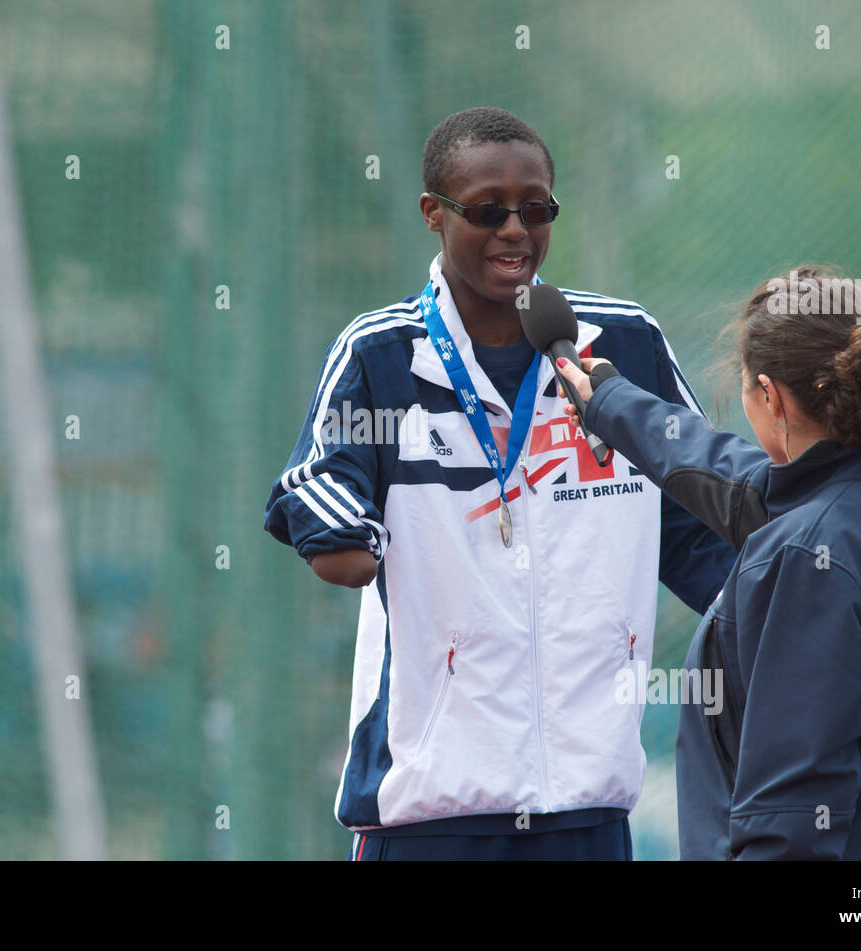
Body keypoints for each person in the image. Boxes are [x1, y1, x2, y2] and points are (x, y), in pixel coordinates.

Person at [263, 106, 737, 860]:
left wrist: (841, 621)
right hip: (432, 815)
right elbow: (318, 480)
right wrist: (341, 529)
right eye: (487, 210)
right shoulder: (381, 357)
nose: (515, 229)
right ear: (434, 214)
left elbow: (704, 530)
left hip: (589, 806)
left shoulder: (623, 346)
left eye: (536, 207)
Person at [555, 266, 861, 859]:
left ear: (769, 396)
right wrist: (611, 401)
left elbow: (791, 821)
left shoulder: (806, 558)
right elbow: (730, 474)